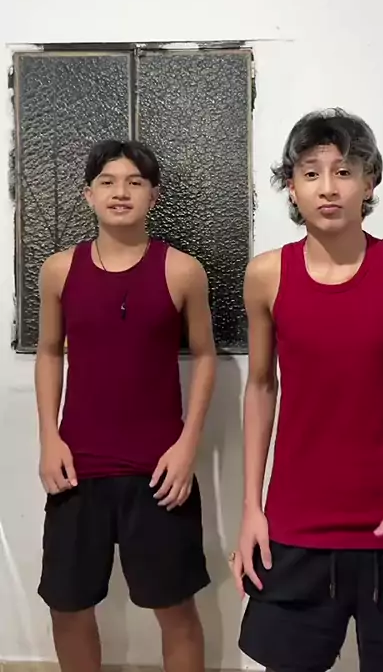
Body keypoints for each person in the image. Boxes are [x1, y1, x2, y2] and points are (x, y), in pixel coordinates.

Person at [231, 109, 383, 672]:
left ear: (370, 181)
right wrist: (250, 508)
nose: (328, 187)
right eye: (311, 172)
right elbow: (261, 386)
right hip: (294, 525)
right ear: (291, 186)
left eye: (344, 171)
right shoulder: (266, 276)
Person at [36, 139, 216, 672]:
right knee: (67, 606)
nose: (121, 192)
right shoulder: (59, 270)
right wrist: (49, 437)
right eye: (108, 182)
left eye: (135, 182)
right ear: (88, 194)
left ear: (153, 196)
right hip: (77, 468)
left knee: (175, 608)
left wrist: (187, 447)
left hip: (160, 472)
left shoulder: (182, 271)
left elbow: (205, 356)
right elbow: (49, 351)